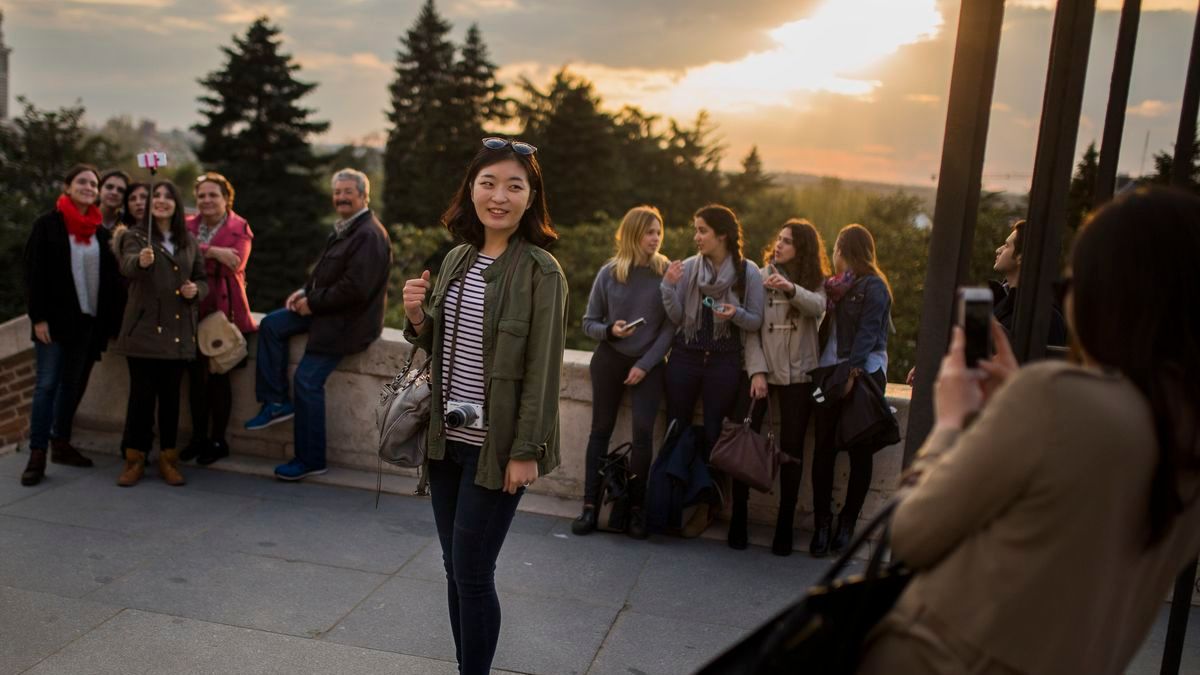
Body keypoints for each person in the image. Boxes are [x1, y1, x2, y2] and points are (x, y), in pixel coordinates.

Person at [857, 187, 1200, 674]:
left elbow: (911, 534)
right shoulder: (1181, 431)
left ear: (1111, 294)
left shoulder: (1055, 396)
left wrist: (952, 421)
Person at [401, 137, 566, 675]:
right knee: (455, 568)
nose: (499, 196)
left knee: (473, 573)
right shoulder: (457, 259)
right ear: (471, 190)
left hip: (496, 451)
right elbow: (437, 348)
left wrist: (526, 450)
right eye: (488, 183)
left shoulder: (543, 272)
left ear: (530, 196)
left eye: (514, 186)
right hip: (445, 442)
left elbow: (544, 372)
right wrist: (418, 320)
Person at [244, 168, 391, 481]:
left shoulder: (369, 235)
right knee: (271, 324)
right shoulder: (347, 228)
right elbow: (325, 271)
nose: (340, 198)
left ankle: (310, 459)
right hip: (324, 309)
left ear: (364, 195)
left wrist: (313, 302)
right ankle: (276, 402)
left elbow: (355, 289)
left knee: (307, 381)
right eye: (337, 192)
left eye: (348, 192)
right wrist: (304, 292)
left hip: (346, 325)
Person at [660, 204, 764, 536]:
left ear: (723, 235)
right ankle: (669, 501)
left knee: (715, 435)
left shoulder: (749, 273)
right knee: (676, 427)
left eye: (702, 230)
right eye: (696, 229)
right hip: (685, 358)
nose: (696, 237)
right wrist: (667, 287)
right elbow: (677, 319)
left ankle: (706, 505)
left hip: (724, 363)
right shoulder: (689, 269)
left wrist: (734, 313)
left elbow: (756, 320)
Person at [574, 205, 674, 539]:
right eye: (650, 232)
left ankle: (634, 511)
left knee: (643, 434)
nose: (656, 238)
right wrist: (612, 330)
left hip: (649, 364)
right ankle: (589, 507)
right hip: (609, 358)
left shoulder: (666, 273)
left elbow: (669, 330)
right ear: (634, 234)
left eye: (659, 232)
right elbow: (589, 323)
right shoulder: (610, 273)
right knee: (600, 430)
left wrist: (644, 366)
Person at [19, 164, 122, 486]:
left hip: (86, 324)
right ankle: (37, 453)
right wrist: (38, 318)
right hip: (53, 323)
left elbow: (109, 283)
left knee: (70, 387)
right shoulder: (47, 225)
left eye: (93, 183)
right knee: (46, 386)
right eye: (82, 182)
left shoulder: (100, 233)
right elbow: (33, 275)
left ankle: (60, 443)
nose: (89, 187)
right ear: (67, 187)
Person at [736, 219, 828, 554]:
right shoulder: (758, 278)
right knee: (746, 442)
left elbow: (819, 307)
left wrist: (790, 289)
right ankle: (739, 517)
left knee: (792, 451)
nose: (779, 245)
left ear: (801, 248)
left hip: (800, 375)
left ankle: (785, 525)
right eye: (778, 238)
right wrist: (757, 372)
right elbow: (750, 330)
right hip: (764, 371)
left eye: (787, 241)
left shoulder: (814, 281)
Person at [111, 180, 208, 487]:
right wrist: (140, 261)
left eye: (168, 197)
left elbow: (202, 279)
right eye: (156, 197)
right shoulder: (136, 236)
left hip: (178, 333)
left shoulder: (187, 241)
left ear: (177, 204)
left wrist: (196, 290)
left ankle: (168, 459)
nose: (162, 201)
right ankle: (134, 459)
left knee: (169, 401)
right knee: (140, 400)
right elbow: (126, 267)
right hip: (144, 333)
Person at [809, 224, 892, 557]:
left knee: (860, 451)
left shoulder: (874, 287)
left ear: (843, 250)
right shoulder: (832, 289)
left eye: (836, 250)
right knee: (824, 450)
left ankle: (847, 523)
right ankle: (822, 523)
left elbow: (869, 334)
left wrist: (852, 373)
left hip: (863, 374)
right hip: (830, 372)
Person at [183, 172, 256, 466]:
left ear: (226, 199)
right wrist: (213, 251)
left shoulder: (240, 227)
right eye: (201, 196)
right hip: (190, 310)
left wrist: (197, 255)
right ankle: (197, 437)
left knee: (218, 378)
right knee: (194, 381)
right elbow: (177, 256)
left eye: (213, 195)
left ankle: (217, 440)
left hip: (224, 314)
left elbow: (235, 262)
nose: (207, 200)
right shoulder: (187, 225)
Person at [991, 219, 1067, 347]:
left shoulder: (1047, 317)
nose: (998, 250)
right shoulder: (1002, 299)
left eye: (1007, 245)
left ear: (1021, 256)